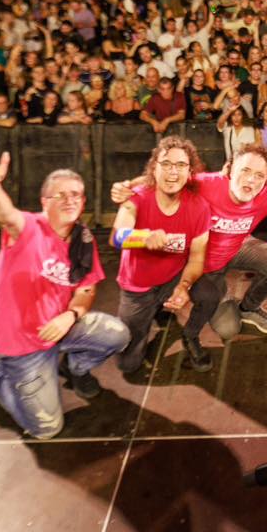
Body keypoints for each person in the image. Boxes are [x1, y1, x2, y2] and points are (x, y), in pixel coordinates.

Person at [0, 153, 129, 439]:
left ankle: (74, 368)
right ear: (45, 202)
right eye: (61, 195)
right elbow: (5, 214)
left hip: (61, 326)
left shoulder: (82, 239)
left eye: (77, 195)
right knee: (46, 429)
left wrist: (71, 315)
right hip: (22, 346)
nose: (71, 201)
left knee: (117, 334)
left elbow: (86, 288)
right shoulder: (28, 228)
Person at [113, 144, 267, 368]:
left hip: (236, 247)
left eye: (259, 175)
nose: (251, 180)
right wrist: (129, 185)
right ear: (229, 169)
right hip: (204, 263)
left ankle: (248, 307)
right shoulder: (205, 185)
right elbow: (168, 175)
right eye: (245, 170)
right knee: (228, 328)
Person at [110, 137, 211, 376]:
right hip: (138, 287)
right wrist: (142, 237)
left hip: (172, 279)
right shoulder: (137, 196)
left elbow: (197, 259)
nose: (172, 172)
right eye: (166, 164)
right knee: (127, 364)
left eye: (180, 165)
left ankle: (190, 335)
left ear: (189, 172)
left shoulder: (199, 207)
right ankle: (149, 317)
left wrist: (184, 287)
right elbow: (116, 236)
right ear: (154, 168)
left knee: (209, 292)